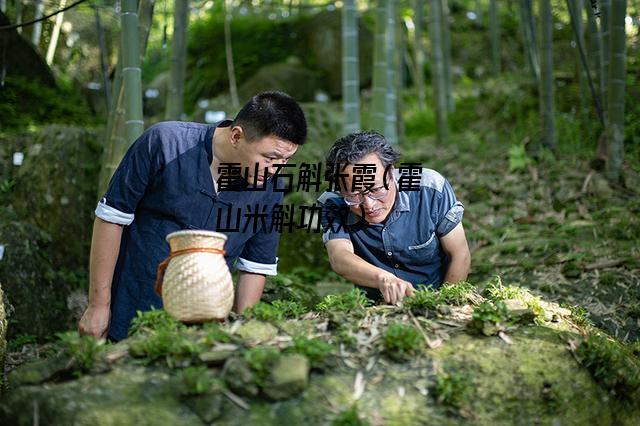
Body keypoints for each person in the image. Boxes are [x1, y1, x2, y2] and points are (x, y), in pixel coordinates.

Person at [79, 91, 307, 341]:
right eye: (270, 158)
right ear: (236, 136)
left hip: (203, 328)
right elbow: (111, 218)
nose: (276, 169)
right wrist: (98, 305)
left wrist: (244, 332)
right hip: (130, 307)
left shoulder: (270, 188)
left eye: (286, 160)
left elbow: (255, 265)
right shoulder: (165, 143)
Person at [317, 131, 470, 305]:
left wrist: (443, 305)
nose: (368, 204)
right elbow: (339, 257)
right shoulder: (333, 203)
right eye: (354, 195)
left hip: (435, 297)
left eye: (375, 190)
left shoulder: (430, 189)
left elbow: (459, 254)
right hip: (374, 309)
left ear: (391, 173)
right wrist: (383, 279)